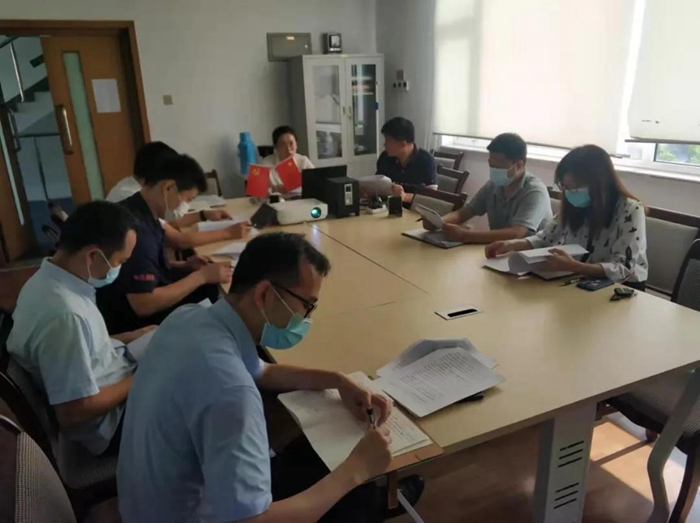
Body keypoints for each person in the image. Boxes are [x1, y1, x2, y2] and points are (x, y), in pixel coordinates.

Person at [117, 232, 423, 523]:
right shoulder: (232, 393)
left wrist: (338, 380)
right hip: (187, 515)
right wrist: (357, 470)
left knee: (316, 456)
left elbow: (260, 370)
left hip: (146, 503)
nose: (306, 319)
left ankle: (370, 499)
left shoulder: (191, 318)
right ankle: (370, 502)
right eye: (306, 306)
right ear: (264, 294)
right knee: (347, 484)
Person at [7, 201, 154, 456]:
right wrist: (144, 377)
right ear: (93, 256)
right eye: (120, 261)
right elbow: (74, 412)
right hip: (110, 423)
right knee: (199, 388)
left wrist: (132, 336)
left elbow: (77, 348)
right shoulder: (64, 315)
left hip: (114, 373)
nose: (119, 269)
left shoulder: (48, 280)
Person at [97, 154, 235, 333]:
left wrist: (184, 265)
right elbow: (143, 304)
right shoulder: (137, 230)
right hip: (130, 322)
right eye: (187, 199)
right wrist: (202, 276)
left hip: (133, 301)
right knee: (211, 292)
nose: (185, 206)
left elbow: (143, 267)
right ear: (168, 187)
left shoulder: (140, 210)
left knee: (207, 285)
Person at [486, 144, 648, 288]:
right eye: (565, 187)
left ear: (599, 183)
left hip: (620, 288)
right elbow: (545, 238)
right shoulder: (575, 204)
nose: (570, 193)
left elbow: (624, 269)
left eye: (576, 187)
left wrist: (575, 266)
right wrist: (512, 244)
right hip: (579, 281)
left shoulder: (630, 210)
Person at [107, 141, 249, 249]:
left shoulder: (135, 187)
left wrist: (203, 215)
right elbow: (179, 240)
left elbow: (167, 221)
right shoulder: (130, 197)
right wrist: (228, 233)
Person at [426, 133, 552, 244]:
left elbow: (517, 233)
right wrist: (439, 222)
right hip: (498, 251)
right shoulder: (493, 185)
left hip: (527, 258)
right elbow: (465, 212)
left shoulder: (535, 191)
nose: (493, 171)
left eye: (498, 167)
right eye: (491, 166)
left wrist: (465, 235)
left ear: (519, 165)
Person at [376, 117, 437, 203]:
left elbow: (432, 196)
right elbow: (378, 185)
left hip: (415, 209)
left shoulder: (426, 161)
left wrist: (405, 196)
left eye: (388, 140)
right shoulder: (385, 157)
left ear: (403, 144)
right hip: (387, 206)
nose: (385, 144)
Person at [261, 125, 315, 193]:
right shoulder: (264, 164)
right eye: (283, 144)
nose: (288, 149)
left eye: (291, 143)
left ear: (296, 145)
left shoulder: (303, 161)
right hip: (276, 199)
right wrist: (274, 190)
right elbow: (255, 194)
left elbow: (318, 184)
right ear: (276, 147)